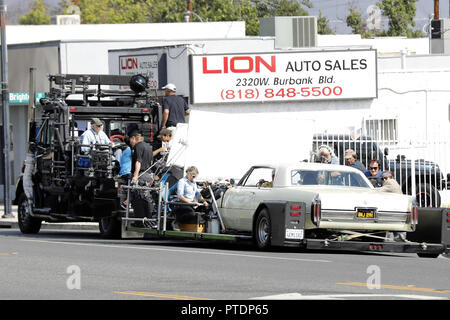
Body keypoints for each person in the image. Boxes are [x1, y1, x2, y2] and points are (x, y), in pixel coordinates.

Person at [129, 130, 154, 219]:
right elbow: (151, 162)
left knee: (138, 198)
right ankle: (149, 217)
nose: (130, 142)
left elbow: (138, 161)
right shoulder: (149, 146)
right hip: (148, 174)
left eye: (130, 140)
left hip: (141, 174)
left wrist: (135, 176)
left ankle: (139, 220)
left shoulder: (137, 146)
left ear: (133, 138)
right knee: (146, 196)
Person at [377, 171, 406, 241]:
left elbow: (378, 191)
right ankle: (399, 236)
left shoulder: (390, 183)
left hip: (396, 210)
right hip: (399, 208)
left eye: (384, 178)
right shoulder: (395, 183)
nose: (384, 180)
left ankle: (399, 236)